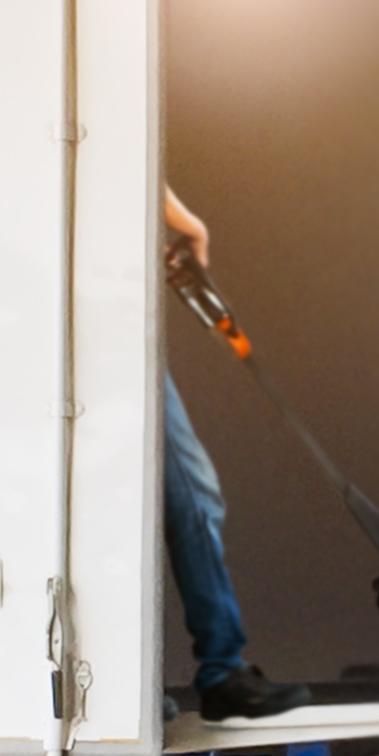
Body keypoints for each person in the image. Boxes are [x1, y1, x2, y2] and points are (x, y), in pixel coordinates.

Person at [160, 186, 306, 722]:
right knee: (193, 496)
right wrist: (192, 228)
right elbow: (137, 171)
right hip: (108, 335)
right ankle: (221, 672)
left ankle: (123, 684)